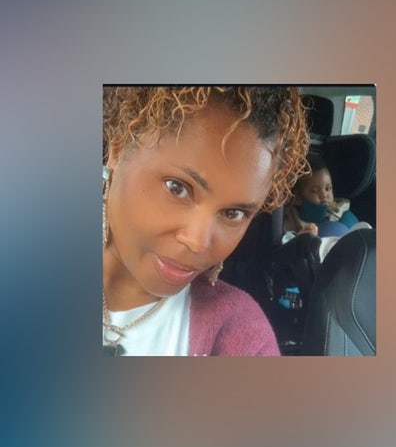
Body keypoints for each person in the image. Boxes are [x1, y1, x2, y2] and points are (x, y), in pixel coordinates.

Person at [102, 86, 310, 356]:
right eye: (177, 188)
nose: (198, 243)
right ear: (118, 148)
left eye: (233, 213)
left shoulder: (243, 336)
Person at [283, 156, 359, 238]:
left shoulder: (341, 213)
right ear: (298, 197)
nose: (324, 195)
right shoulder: (290, 221)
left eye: (328, 188)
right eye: (315, 191)